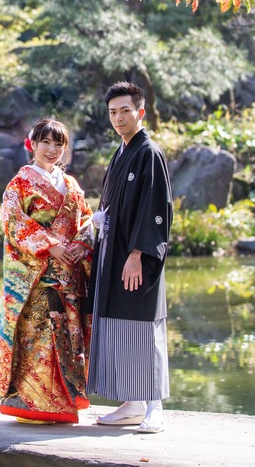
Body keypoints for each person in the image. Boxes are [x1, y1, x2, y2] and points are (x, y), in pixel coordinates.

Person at [0, 118, 94, 424]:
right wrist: (49, 244)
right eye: (46, 142)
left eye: (59, 144)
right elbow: (13, 221)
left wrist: (81, 246)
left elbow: (86, 218)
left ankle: (61, 404)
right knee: (37, 338)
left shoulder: (70, 185)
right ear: (33, 144)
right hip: (37, 276)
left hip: (68, 274)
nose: (52, 149)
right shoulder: (20, 183)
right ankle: (31, 403)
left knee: (65, 338)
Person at [87, 81, 173, 434]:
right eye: (113, 112)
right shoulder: (122, 152)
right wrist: (100, 217)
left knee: (142, 322)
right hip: (114, 251)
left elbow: (156, 207)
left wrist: (138, 252)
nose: (119, 118)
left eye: (125, 111)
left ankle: (155, 406)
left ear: (141, 112)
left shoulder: (148, 152)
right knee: (121, 323)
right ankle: (133, 402)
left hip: (135, 254)